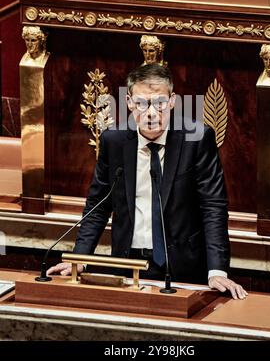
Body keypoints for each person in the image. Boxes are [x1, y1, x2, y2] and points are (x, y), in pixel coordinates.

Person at [48, 63, 247, 300]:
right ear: (130, 103)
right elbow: (98, 206)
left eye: (160, 103)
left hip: (183, 267)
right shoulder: (114, 142)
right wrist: (78, 259)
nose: (151, 113)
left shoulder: (197, 139)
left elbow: (213, 207)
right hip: (128, 265)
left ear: (172, 101)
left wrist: (216, 270)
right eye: (142, 103)